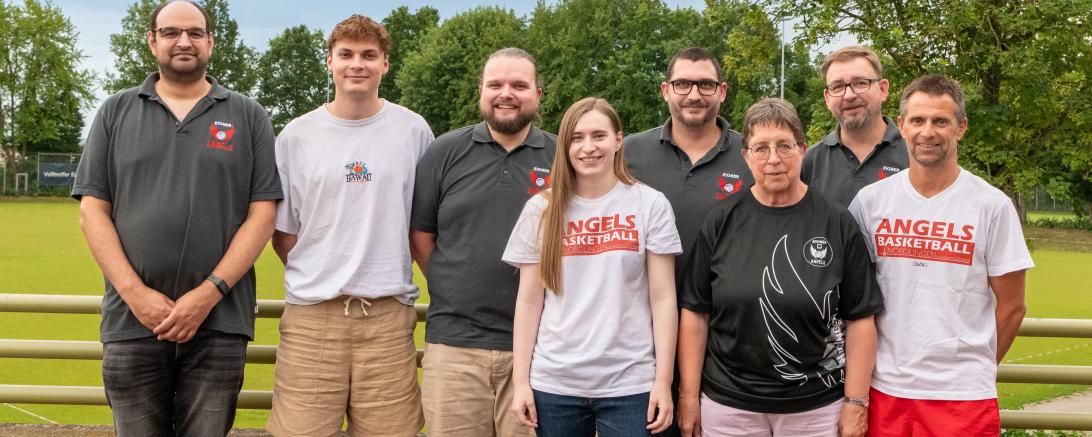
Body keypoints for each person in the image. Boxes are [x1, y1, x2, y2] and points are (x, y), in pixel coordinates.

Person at [72, 1, 281, 435]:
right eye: (170, 32)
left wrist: (208, 294)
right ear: (152, 41)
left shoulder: (248, 115)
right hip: (131, 321)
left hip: (219, 322)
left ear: (211, 41)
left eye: (194, 32)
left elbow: (262, 214)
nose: (183, 41)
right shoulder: (115, 111)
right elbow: (93, 209)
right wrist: (136, 295)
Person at [266, 14, 433, 437]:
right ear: (330, 61)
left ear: (385, 65)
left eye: (368, 55)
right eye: (346, 54)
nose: (357, 64)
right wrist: (327, 270)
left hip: (387, 316)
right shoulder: (296, 136)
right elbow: (284, 233)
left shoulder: (414, 131)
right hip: (312, 317)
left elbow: (423, 225)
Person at [678, 98, 883, 437]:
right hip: (730, 405)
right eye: (761, 148)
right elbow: (696, 313)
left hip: (815, 405)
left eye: (784, 146)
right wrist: (688, 396)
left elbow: (860, 318)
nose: (773, 159)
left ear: (803, 149)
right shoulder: (721, 220)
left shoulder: (836, 221)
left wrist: (856, 402)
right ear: (745, 156)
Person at [849, 74, 1033, 437]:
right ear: (901, 125)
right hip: (885, 390)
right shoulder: (870, 203)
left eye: (941, 121)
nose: (927, 132)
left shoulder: (991, 205)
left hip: (962, 398)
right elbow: (854, 300)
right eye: (917, 120)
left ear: (961, 128)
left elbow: (1013, 307)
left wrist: (973, 367)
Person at [504, 97, 681, 436]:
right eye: (577, 137)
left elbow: (663, 299)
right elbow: (528, 302)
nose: (588, 147)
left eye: (599, 136)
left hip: (630, 384)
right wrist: (522, 382)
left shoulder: (650, 204)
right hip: (555, 385)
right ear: (565, 145)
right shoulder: (541, 209)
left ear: (618, 140)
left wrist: (662, 382)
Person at [410, 47, 556, 437]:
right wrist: (450, 281)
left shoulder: (562, 157)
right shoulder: (445, 151)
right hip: (455, 347)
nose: (506, 93)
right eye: (496, 84)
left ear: (538, 94)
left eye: (519, 85)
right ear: (481, 91)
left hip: (541, 351)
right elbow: (421, 234)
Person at [624, 48, 753, 436]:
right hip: (641, 338)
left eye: (706, 84)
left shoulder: (752, 153)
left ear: (723, 91)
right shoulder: (630, 152)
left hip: (729, 339)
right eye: (682, 84)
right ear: (666, 90)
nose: (694, 94)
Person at [802, 45, 908, 208]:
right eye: (837, 87)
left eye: (860, 83)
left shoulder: (914, 153)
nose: (849, 95)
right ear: (827, 98)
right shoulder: (810, 162)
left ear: (883, 89)